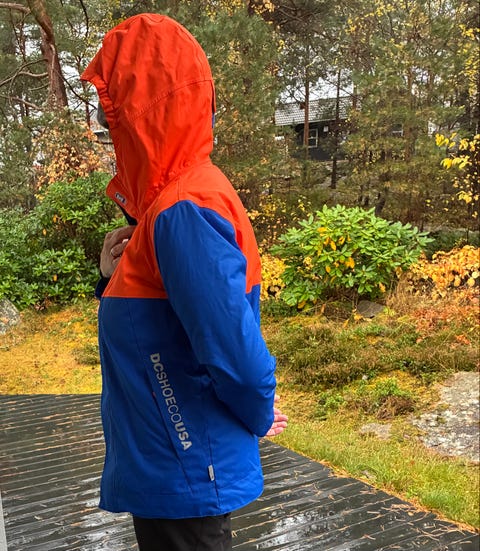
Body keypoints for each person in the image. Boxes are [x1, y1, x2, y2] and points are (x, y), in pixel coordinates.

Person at [81, 13, 288, 551]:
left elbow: (234, 352)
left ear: (143, 110)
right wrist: (109, 277)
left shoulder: (183, 210)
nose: (107, 129)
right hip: (170, 468)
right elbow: (156, 327)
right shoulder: (163, 210)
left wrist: (258, 412)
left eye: (113, 113)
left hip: (185, 470)